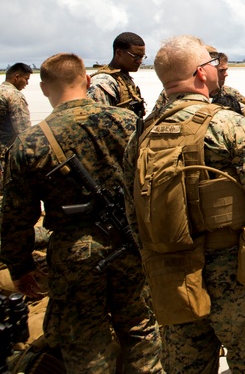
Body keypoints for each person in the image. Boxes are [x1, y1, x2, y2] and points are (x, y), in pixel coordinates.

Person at [124, 35, 245, 373]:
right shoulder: (228, 124)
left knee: (187, 366)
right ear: (199, 74)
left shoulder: (143, 133)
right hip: (238, 273)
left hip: (174, 274)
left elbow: (133, 208)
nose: (215, 68)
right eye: (210, 63)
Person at [0, 53, 163, 372]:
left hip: (74, 256)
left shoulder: (31, 142)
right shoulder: (128, 122)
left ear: (45, 88)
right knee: (142, 332)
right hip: (131, 246)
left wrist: (20, 268)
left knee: (85, 343)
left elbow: (16, 215)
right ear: (88, 81)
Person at [89, 31, 147, 118]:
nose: (140, 61)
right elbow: (97, 121)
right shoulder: (102, 83)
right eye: (136, 56)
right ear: (119, 53)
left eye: (142, 57)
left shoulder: (123, 78)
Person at [0, 62, 32, 168]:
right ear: (16, 77)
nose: (27, 83)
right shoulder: (14, 96)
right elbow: (24, 131)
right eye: (26, 79)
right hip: (5, 157)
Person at [212, 52, 245, 117]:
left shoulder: (233, 94)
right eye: (221, 71)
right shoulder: (198, 95)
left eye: (226, 70)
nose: (226, 74)